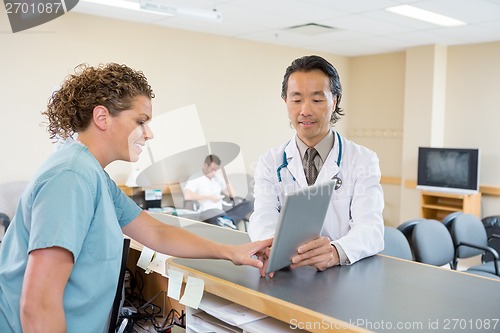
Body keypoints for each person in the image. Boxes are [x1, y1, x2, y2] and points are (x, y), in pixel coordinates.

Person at [0, 63, 271, 333]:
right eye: (140, 122)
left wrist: (232, 252)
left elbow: (156, 233)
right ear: (102, 117)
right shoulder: (71, 176)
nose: (149, 133)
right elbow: (38, 305)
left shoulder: (93, 175)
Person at [248, 55, 384, 274]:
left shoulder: (363, 160)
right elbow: (263, 214)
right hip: (286, 274)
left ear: (335, 101)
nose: (305, 110)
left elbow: (371, 228)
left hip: (341, 277)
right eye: (296, 99)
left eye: (317, 100)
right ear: (286, 102)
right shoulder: (269, 162)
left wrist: (335, 251)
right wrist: (271, 245)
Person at [183, 154, 254, 229]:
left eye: (216, 170)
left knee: (249, 204)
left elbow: (232, 194)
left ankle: (227, 220)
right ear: (205, 165)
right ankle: (227, 221)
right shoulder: (196, 178)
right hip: (207, 211)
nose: (214, 172)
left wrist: (224, 176)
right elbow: (187, 195)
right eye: (212, 169)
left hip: (222, 210)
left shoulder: (217, 178)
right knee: (216, 215)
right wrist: (209, 197)